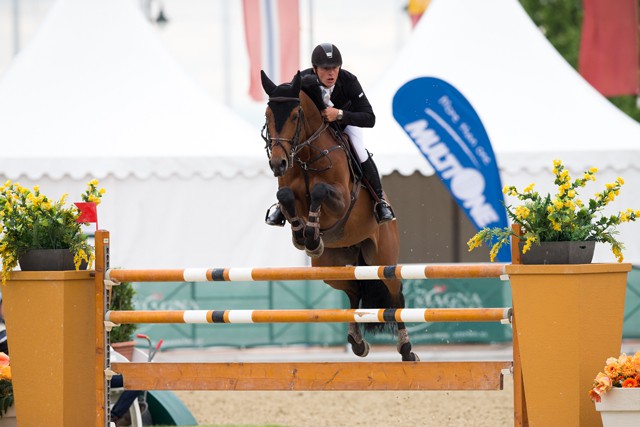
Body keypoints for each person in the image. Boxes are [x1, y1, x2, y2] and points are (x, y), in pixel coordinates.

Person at [265, 42, 395, 226]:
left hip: (345, 124)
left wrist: (340, 114)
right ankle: (281, 205)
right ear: (315, 68)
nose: (331, 73)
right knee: (294, 149)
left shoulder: (349, 81)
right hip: (316, 129)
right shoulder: (303, 80)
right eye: (326, 69)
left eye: (334, 68)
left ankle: (379, 201)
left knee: (360, 150)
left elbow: (369, 118)